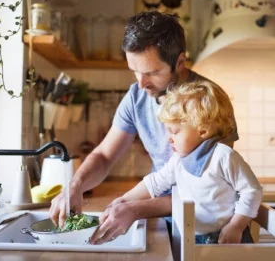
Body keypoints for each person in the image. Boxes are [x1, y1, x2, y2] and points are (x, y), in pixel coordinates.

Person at [49, 11, 239, 244]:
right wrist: (75, 186)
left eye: (152, 72)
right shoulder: (136, 96)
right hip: (164, 217)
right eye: (135, 70)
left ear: (180, 62)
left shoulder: (210, 102)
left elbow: (209, 190)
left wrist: (138, 208)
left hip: (209, 228)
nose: (141, 82)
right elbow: (104, 155)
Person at [111, 80, 262, 244]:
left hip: (225, 238)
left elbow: (252, 191)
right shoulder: (179, 160)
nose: (169, 138)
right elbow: (154, 183)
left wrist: (236, 226)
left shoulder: (223, 156)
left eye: (174, 132)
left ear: (203, 130)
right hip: (193, 239)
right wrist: (124, 200)